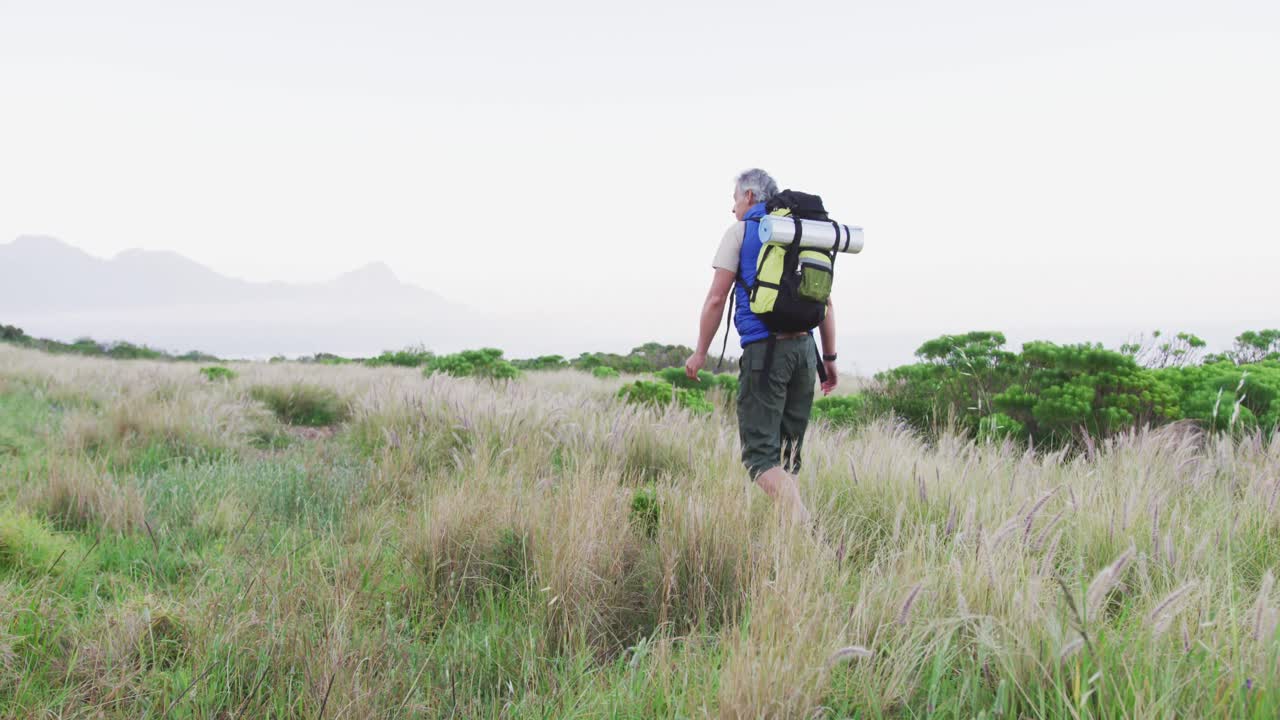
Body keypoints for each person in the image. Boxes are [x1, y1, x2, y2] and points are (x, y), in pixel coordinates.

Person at [685, 168, 839, 525]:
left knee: (760, 459)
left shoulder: (741, 232)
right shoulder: (802, 232)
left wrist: (700, 352)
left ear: (750, 196)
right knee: (786, 457)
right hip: (806, 354)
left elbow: (716, 299)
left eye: (735, 199)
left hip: (766, 354)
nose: (733, 208)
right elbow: (826, 301)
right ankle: (790, 545)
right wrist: (829, 358)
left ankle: (809, 531)